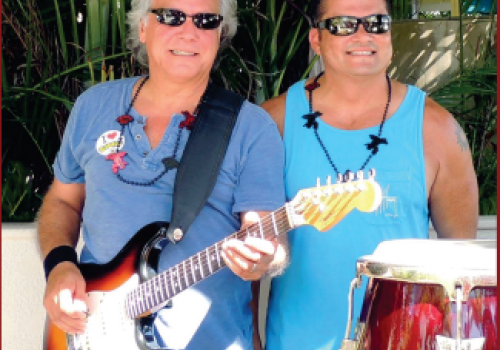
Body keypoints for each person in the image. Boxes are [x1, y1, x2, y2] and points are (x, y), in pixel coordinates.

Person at [37, 0, 288, 349]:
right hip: (91, 335)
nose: (189, 31)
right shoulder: (93, 106)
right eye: (171, 16)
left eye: (205, 20)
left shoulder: (251, 127)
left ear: (220, 34)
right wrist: (60, 266)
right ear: (142, 28)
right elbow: (63, 201)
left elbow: (262, 235)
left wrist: (262, 258)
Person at [262, 0, 478, 349]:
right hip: (297, 341)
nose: (363, 35)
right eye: (344, 24)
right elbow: (252, 245)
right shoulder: (272, 123)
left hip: (403, 341)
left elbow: (461, 267)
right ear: (316, 39)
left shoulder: (437, 130)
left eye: (377, 23)